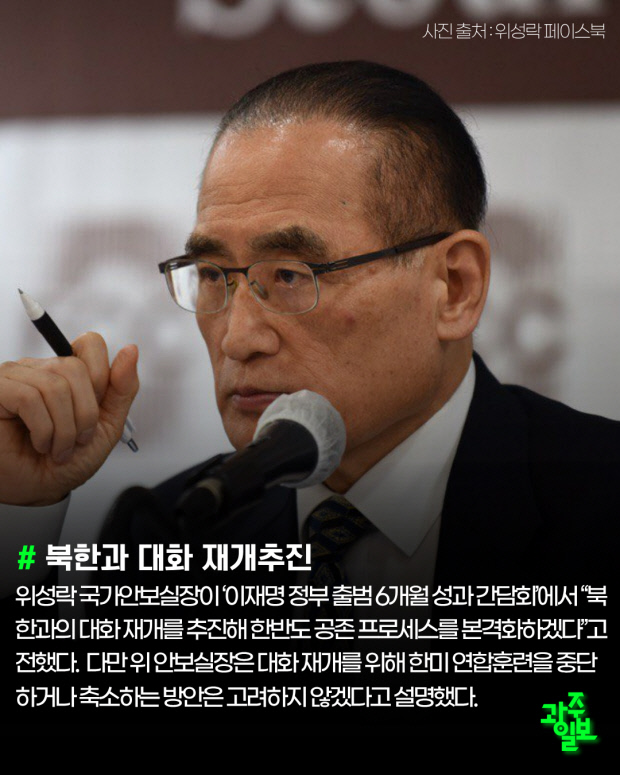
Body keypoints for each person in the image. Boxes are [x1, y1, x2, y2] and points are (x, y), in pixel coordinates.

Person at [1, 61, 617, 588]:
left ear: (455, 287)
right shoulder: (172, 534)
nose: (238, 338)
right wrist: (22, 514)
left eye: (292, 275)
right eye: (213, 274)